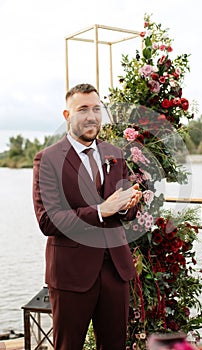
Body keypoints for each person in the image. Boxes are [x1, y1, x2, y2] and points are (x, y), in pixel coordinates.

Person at [32, 83, 142, 350]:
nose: (91, 116)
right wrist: (101, 211)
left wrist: (128, 205)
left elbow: (124, 210)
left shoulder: (114, 155)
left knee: (115, 345)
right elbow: (48, 220)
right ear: (67, 116)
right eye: (83, 109)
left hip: (116, 270)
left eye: (96, 108)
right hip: (71, 273)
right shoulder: (48, 160)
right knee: (69, 345)